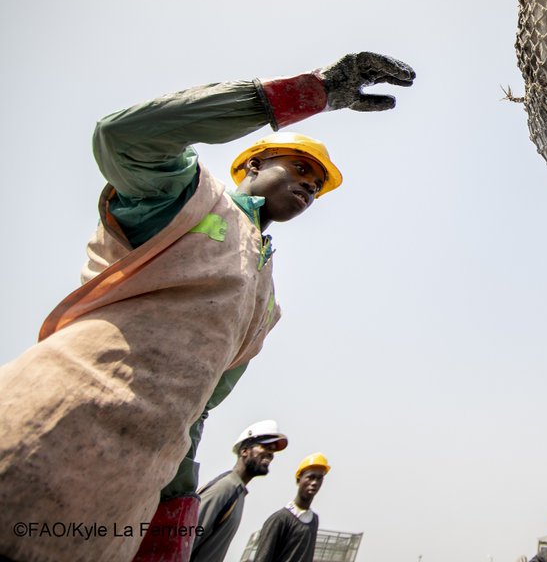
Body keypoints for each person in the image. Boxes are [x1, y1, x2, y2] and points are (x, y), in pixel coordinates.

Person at [0, 52, 414, 562]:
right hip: (43, 430)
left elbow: (199, 405)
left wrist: (175, 505)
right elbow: (122, 137)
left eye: (317, 185)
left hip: (121, 497)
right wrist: (312, 92)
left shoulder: (266, 301)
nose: (310, 184)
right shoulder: (189, 200)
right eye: (301, 168)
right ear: (255, 164)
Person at [190, 420, 289, 562]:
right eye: (265, 447)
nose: (270, 454)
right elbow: (186, 539)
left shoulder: (237, 491)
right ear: (244, 451)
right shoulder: (225, 488)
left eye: (272, 451)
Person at [251, 453, 328, 562]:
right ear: (298, 479)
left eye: (319, 478)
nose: (314, 482)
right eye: (310, 477)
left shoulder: (314, 520)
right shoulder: (279, 519)